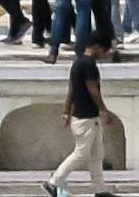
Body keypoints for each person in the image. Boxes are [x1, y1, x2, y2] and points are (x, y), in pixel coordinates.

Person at [48, 45, 105, 191]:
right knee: (81, 154)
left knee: (96, 155)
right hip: (87, 118)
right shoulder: (89, 64)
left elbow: (71, 89)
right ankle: (54, 181)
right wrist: (103, 109)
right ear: (96, 46)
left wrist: (66, 111)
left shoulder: (78, 62)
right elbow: (93, 90)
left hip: (85, 117)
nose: (105, 53)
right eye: (104, 49)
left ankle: (100, 190)